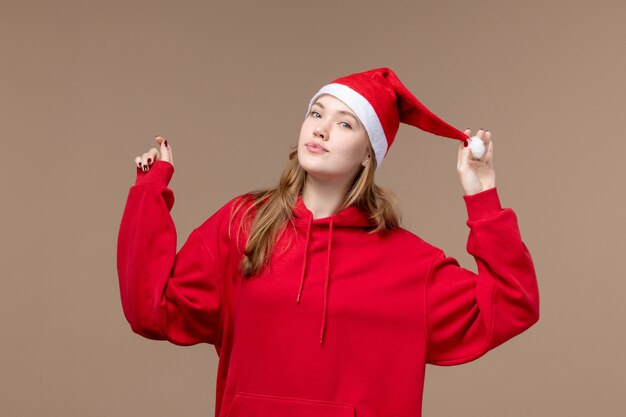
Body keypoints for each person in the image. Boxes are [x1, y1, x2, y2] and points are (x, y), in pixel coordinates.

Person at [117, 67, 540, 417]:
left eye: (344, 123)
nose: (320, 130)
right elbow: (151, 308)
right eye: (316, 114)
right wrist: (149, 193)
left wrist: (481, 195)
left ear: (367, 154)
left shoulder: (411, 264)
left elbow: (512, 303)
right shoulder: (242, 225)